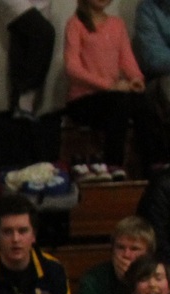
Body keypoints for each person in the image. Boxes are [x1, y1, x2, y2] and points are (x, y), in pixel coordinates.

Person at [66, 0, 156, 178]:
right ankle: (112, 163)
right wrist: (109, 85)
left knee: (141, 100)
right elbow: (72, 68)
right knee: (119, 101)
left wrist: (136, 79)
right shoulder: (76, 24)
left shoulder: (117, 24)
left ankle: (154, 165)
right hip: (84, 100)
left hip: (113, 97)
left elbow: (127, 61)